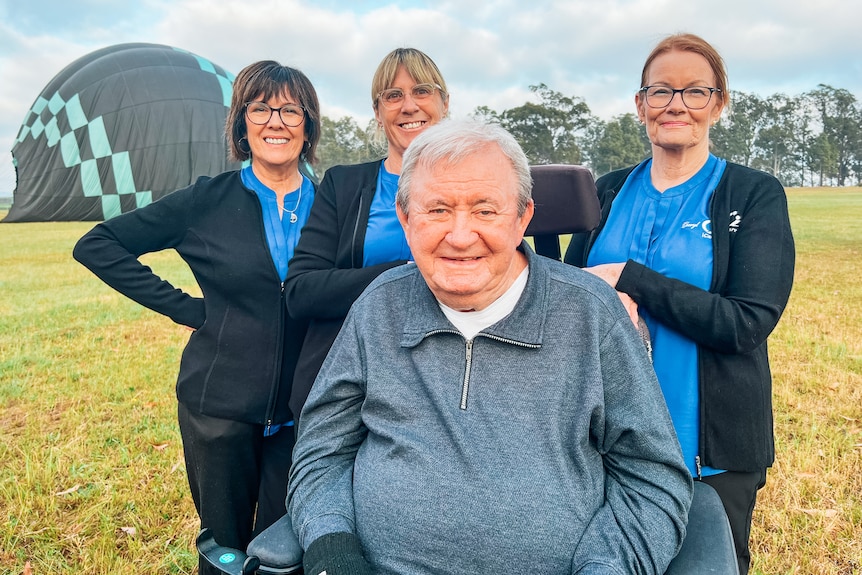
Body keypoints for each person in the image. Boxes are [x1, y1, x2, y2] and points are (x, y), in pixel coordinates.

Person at [287, 118, 693, 575]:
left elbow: (653, 477)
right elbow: (321, 451)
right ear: (405, 218)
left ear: (522, 218)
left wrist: (606, 567)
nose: (460, 237)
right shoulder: (379, 306)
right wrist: (331, 546)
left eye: (485, 210)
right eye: (437, 210)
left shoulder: (590, 314)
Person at [72, 61, 321, 575]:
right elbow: (99, 245)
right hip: (219, 405)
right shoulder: (207, 200)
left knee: (287, 552)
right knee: (226, 553)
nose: (276, 121)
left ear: (309, 124)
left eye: (291, 110)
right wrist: (188, 309)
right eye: (261, 108)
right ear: (241, 123)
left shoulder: (334, 202)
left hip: (307, 408)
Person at [564, 33, 795, 575]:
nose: (676, 105)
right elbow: (569, 289)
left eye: (695, 91)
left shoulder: (752, 193)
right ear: (640, 103)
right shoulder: (607, 190)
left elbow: (747, 322)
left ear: (719, 103)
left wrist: (631, 279)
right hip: (606, 442)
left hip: (708, 452)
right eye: (661, 90)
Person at [283, 47, 449, 419]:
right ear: (378, 112)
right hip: (352, 378)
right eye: (393, 95)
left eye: (422, 90)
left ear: (444, 102)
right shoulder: (343, 185)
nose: (409, 105)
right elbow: (301, 292)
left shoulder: (474, 183)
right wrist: (404, 273)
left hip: (449, 382)